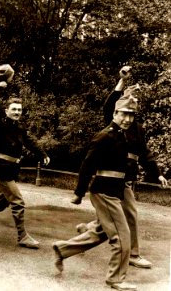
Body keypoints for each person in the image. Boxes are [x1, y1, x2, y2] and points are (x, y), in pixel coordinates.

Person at [51, 94, 162, 291]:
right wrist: (79, 193)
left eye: (131, 115)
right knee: (122, 236)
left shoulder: (124, 135)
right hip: (105, 191)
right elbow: (87, 166)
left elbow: (141, 154)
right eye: (124, 114)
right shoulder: (104, 136)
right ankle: (115, 279)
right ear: (115, 113)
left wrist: (156, 173)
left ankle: (62, 249)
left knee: (103, 231)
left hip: (117, 189)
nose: (128, 119)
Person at [73, 66, 168, 270]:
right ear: (118, 110)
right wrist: (122, 83)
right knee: (129, 215)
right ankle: (133, 253)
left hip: (126, 179)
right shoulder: (113, 125)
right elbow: (108, 107)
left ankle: (85, 232)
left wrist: (158, 174)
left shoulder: (138, 129)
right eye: (124, 109)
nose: (127, 116)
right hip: (111, 180)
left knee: (112, 219)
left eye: (132, 111)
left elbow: (145, 154)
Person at [0, 77, 50, 249]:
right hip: (2, 169)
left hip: (12, 169)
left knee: (1, 202)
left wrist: (42, 154)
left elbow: (30, 141)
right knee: (17, 201)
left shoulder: (19, 128)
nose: (17, 112)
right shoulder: (0, 126)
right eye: (13, 109)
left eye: (19, 110)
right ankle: (22, 236)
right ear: (6, 111)